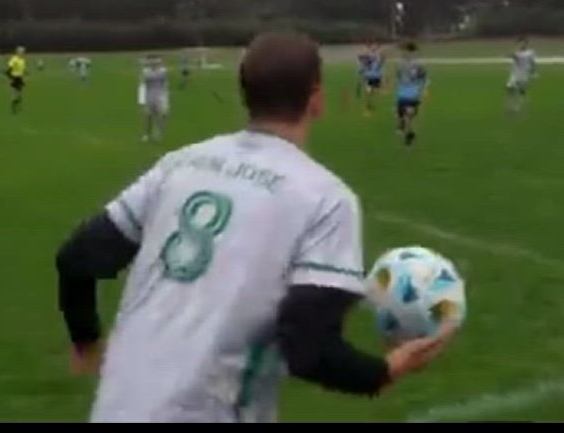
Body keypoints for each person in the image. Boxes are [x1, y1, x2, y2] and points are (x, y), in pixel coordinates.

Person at [54, 31, 457, 423]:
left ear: (244, 94)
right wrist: (387, 370)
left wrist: (86, 340)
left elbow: (76, 259)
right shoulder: (325, 198)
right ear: (316, 99)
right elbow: (307, 346)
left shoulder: (178, 164)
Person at [394, 42, 430, 147]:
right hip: (403, 94)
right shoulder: (402, 65)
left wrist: (425, 89)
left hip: (412, 95)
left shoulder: (418, 66)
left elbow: (425, 78)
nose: (406, 54)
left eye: (408, 52)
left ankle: (408, 134)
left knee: (409, 116)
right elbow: (398, 76)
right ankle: (404, 126)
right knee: (403, 115)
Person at [139, 55, 170, 143]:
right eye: (153, 62)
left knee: (160, 115)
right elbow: (143, 84)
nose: (154, 64)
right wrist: (142, 99)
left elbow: (165, 84)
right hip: (149, 96)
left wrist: (165, 97)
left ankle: (159, 132)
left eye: (156, 62)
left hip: (159, 96)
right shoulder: (146, 72)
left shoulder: (162, 71)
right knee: (148, 116)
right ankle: (146, 134)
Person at [506, 36, 538, 116]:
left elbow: (533, 63)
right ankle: (513, 107)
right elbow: (514, 59)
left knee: (521, 90)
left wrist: (534, 73)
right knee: (510, 89)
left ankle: (517, 107)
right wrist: (512, 56)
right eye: (519, 43)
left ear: (526, 44)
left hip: (523, 74)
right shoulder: (516, 52)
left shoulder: (530, 53)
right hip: (514, 74)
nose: (521, 44)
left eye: (523, 43)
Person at [358, 43, 385, 115]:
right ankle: (367, 107)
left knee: (374, 91)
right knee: (368, 92)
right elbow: (362, 59)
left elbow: (380, 63)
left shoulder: (376, 56)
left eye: (375, 47)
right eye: (373, 47)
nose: (374, 48)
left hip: (376, 76)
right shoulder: (368, 56)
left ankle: (370, 105)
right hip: (369, 77)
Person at [6, 46, 27, 114]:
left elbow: (22, 69)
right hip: (14, 77)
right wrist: (10, 76)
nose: (22, 53)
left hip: (20, 77)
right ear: (17, 52)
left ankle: (17, 104)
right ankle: (14, 107)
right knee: (14, 92)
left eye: (23, 52)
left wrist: (25, 73)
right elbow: (10, 68)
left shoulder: (22, 60)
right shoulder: (14, 59)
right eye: (21, 52)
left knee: (20, 93)